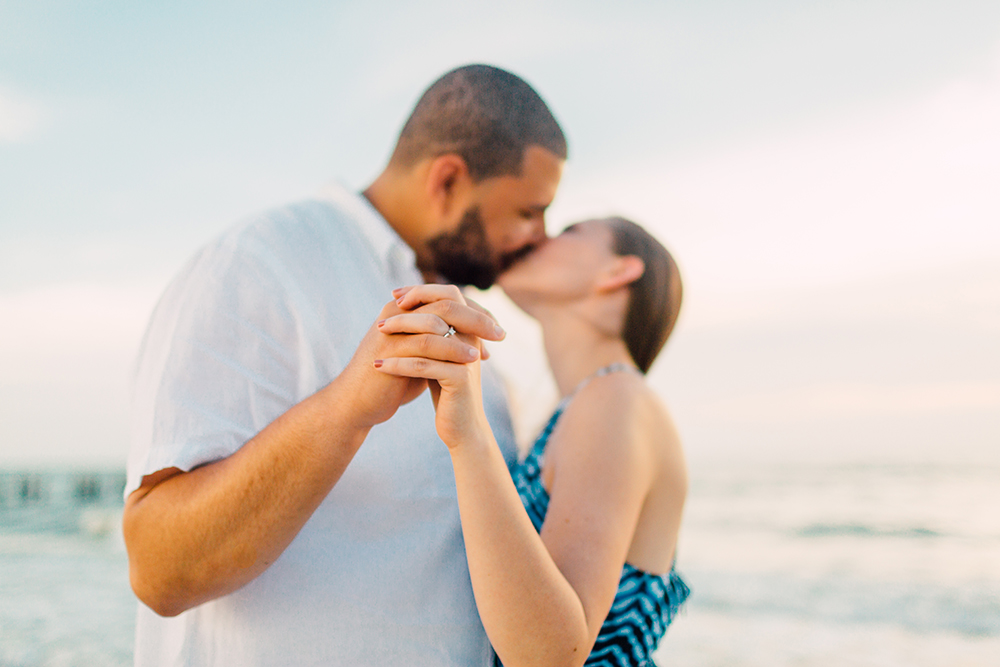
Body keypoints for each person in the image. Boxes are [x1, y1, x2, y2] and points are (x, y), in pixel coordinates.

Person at [121, 64, 566, 666]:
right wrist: (348, 408)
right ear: (448, 181)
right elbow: (158, 570)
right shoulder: (257, 264)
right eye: (528, 212)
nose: (540, 237)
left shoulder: (477, 344)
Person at [374, 216, 690, 666]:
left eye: (569, 231)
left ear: (617, 272)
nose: (536, 236)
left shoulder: (615, 398)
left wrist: (469, 436)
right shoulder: (587, 406)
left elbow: (551, 657)